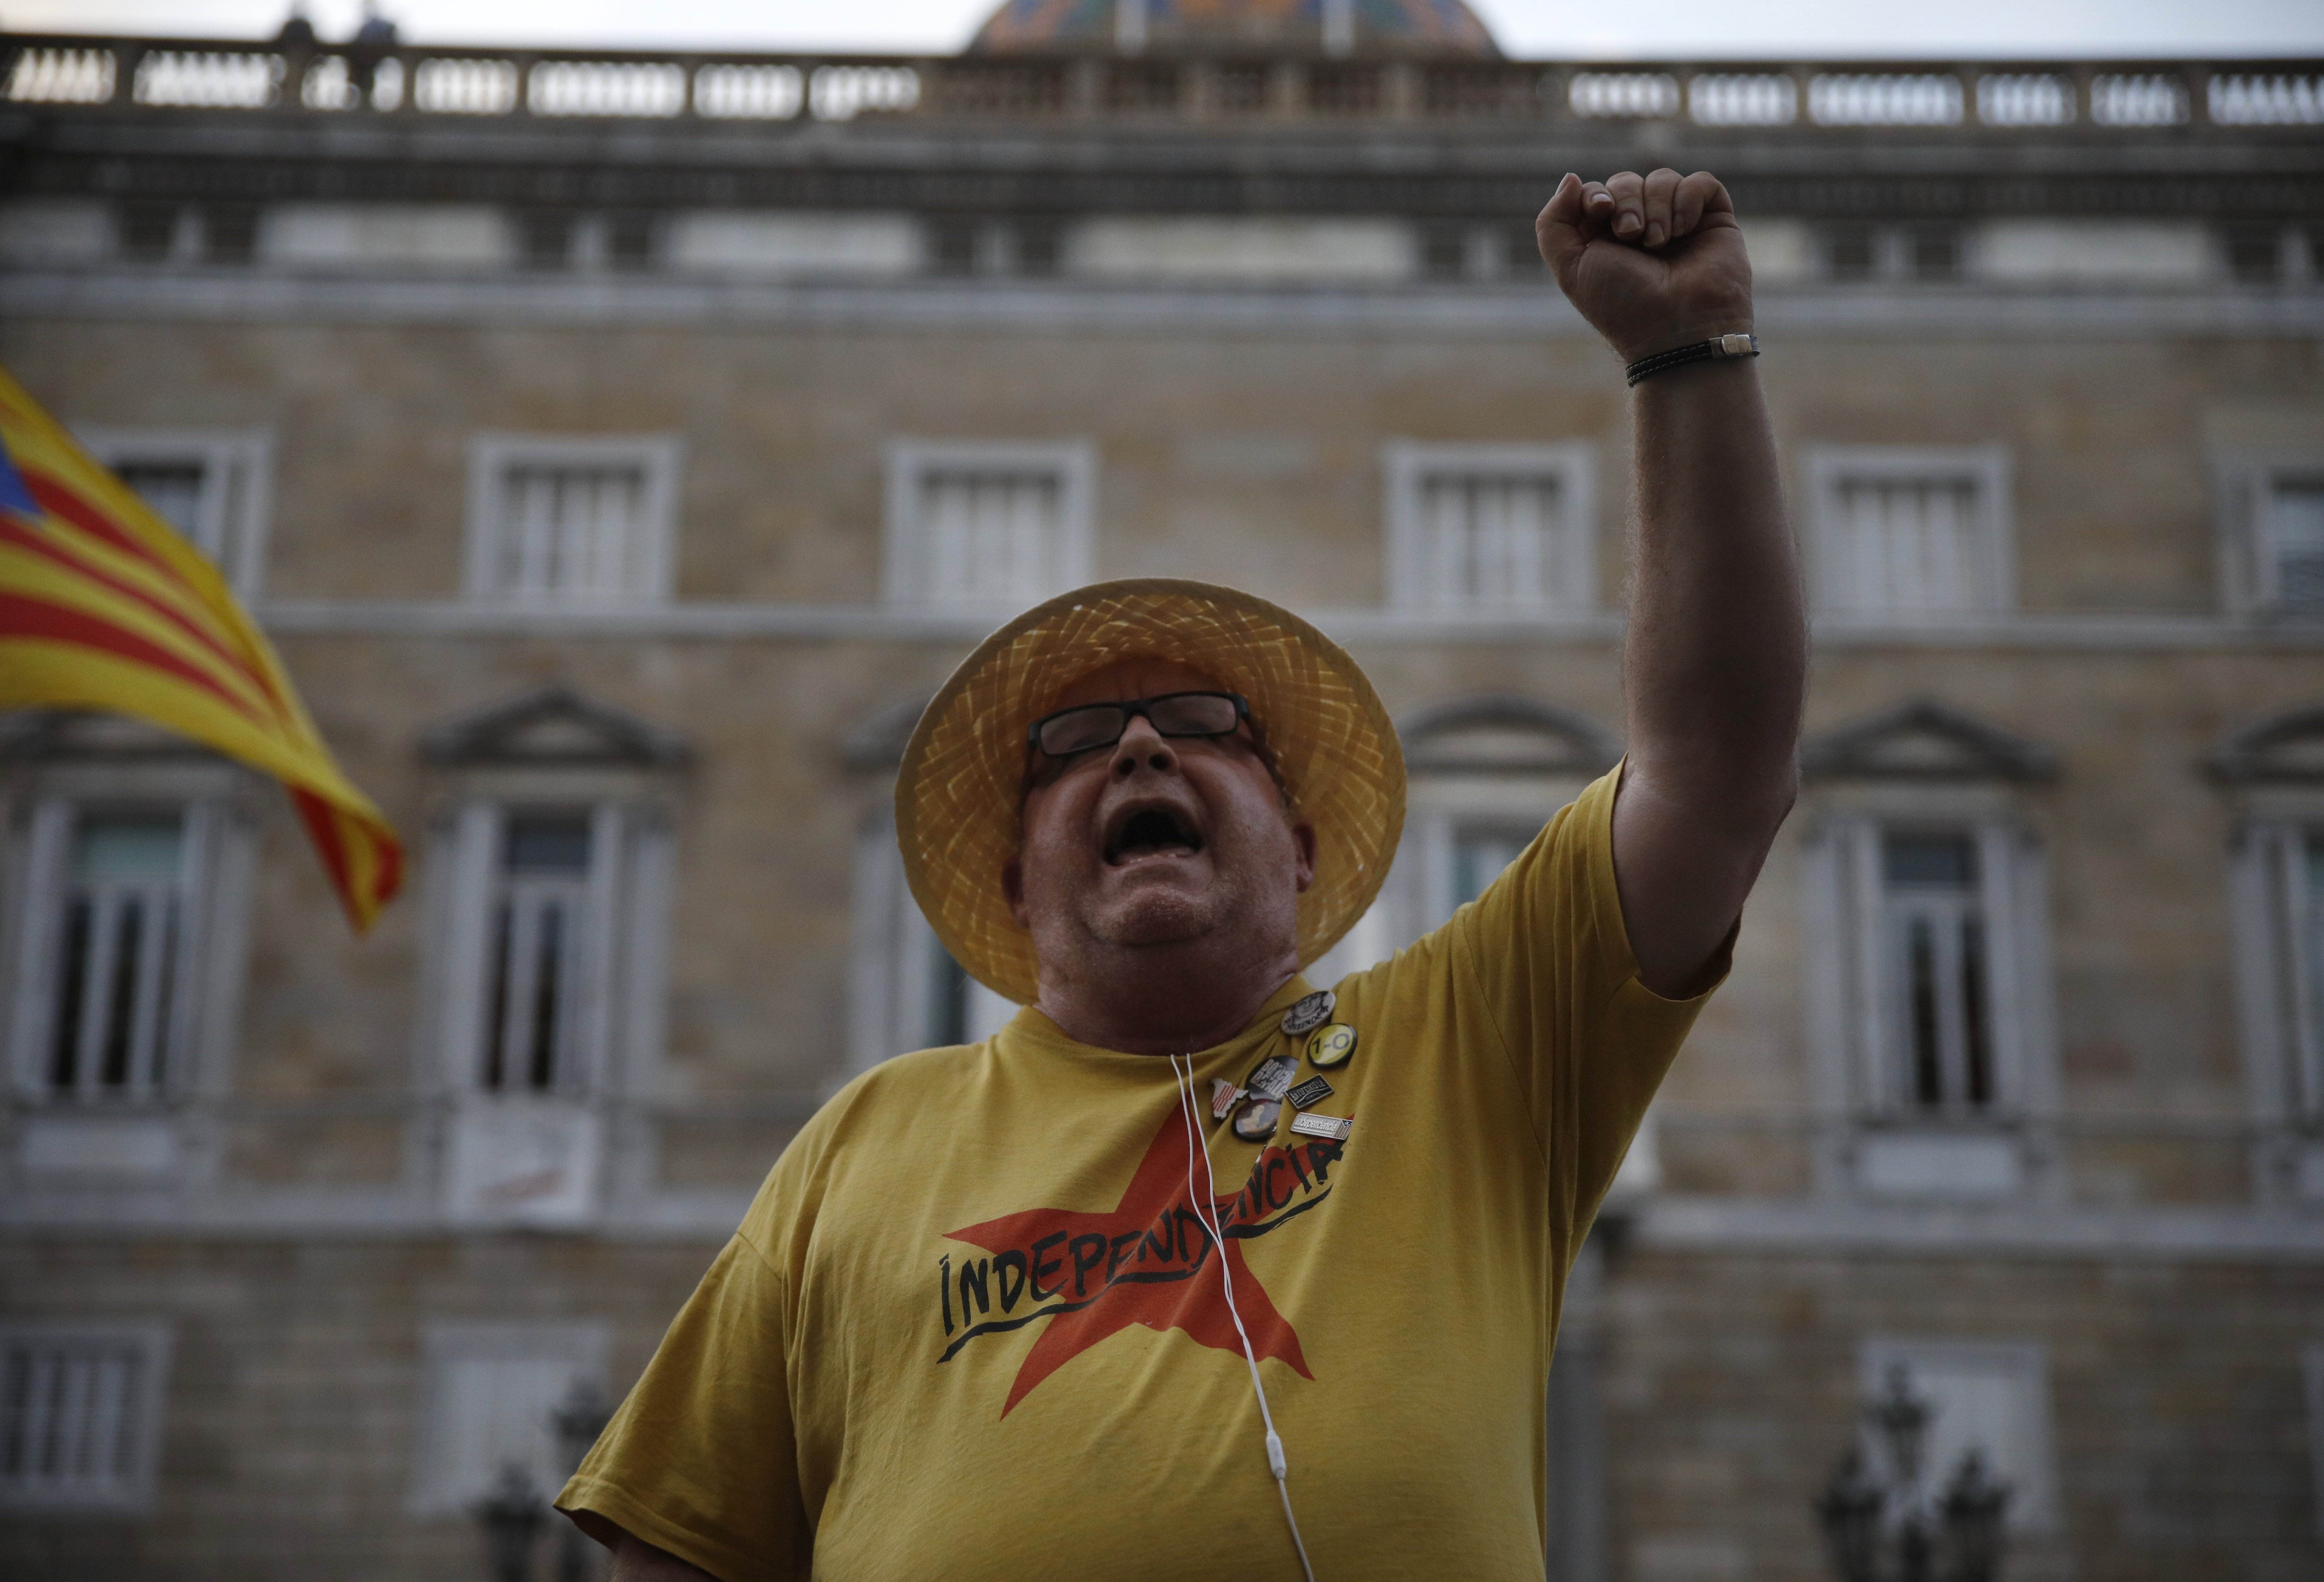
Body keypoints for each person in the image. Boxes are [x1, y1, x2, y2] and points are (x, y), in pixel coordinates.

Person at [557, 167, 1804, 1581]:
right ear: (1018, 880)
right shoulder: (859, 1146)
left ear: (1307, 844)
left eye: (1208, 727)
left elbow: (1716, 771)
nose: (1144, 745)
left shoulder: (1468, 1052)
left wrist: (1688, 356)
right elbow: (678, 1550)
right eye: (1076, 742)